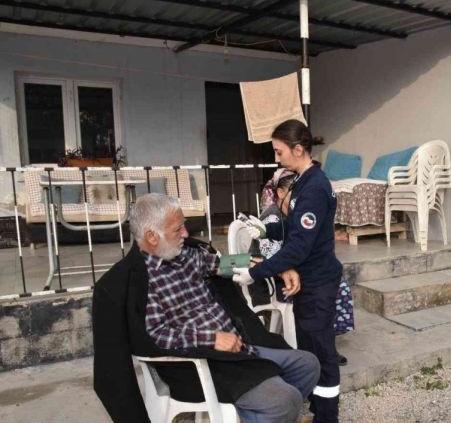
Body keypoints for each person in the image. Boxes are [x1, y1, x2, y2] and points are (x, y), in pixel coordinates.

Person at [93, 193, 320, 423]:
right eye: (178, 229)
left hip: (239, 346)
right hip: (202, 364)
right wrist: (211, 339)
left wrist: (277, 268)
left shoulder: (186, 254)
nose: (185, 234)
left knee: (307, 365)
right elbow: (157, 336)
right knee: (285, 400)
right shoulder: (137, 281)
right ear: (152, 236)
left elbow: (225, 264)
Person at [236, 120, 343, 423]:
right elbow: (293, 228)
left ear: (298, 149)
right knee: (309, 349)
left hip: (318, 281)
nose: (276, 158)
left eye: (279, 151)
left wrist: (256, 273)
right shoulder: (301, 181)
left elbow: (299, 247)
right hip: (307, 279)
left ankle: (327, 417)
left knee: (322, 351)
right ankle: (317, 409)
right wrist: (266, 229)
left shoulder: (314, 188)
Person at [250, 167, 355, 365]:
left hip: (292, 273)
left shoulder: (296, 215)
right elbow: (269, 258)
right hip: (273, 282)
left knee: (335, 284)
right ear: (281, 192)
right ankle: (317, 347)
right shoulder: (272, 217)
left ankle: (324, 344)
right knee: (325, 288)